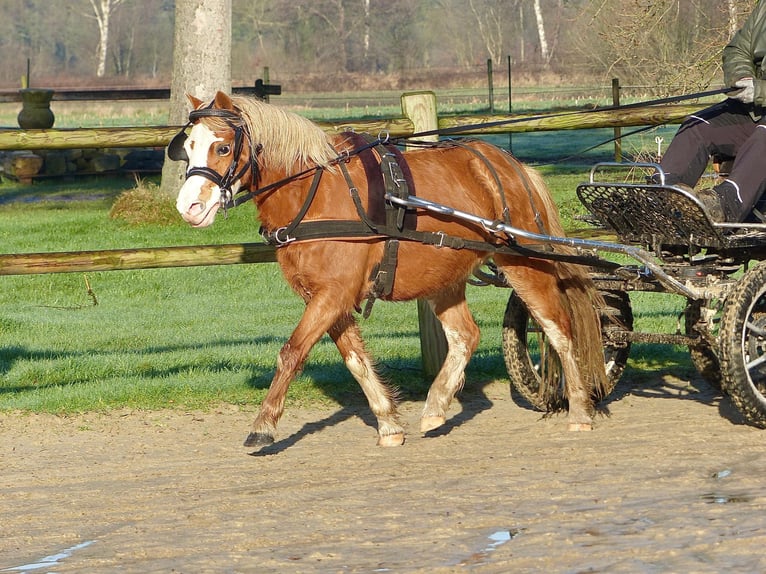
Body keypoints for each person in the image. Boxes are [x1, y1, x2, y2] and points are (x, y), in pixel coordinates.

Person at [658, 1, 766, 222]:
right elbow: (738, 49)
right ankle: (660, 201)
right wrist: (744, 77)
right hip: (757, 111)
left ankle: (724, 207)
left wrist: (760, 90)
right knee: (698, 125)